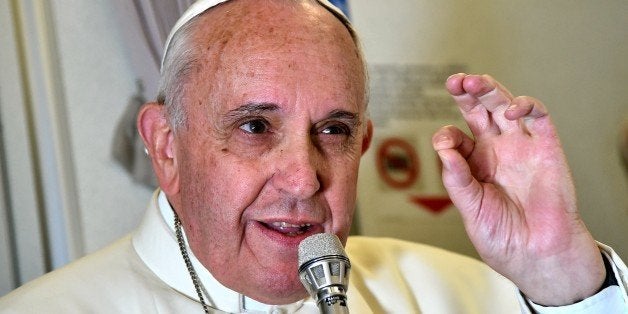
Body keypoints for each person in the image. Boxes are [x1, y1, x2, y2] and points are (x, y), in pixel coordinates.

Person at [1, 0, 626, 313]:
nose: (304, 179)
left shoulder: (463, 294)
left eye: (333, 129)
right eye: (254, 125)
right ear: (167, 146)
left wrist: (559, 275)